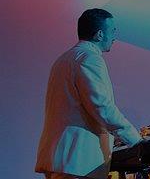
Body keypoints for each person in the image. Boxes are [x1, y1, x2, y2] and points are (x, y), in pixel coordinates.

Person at [36, 9, 141, 179]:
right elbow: (101, 106)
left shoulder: (64, 59)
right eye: (112, 31)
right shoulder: (90, 58)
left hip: (62, 157)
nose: (114, 37)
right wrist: (135, 140)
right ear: (99, 34)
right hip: (78, 160)